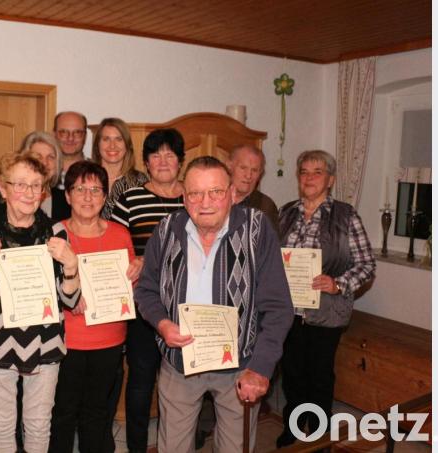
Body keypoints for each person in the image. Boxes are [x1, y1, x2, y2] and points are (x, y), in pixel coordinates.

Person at [135, 156, 294, 452]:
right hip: (179, 361)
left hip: (240, 366)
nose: (205, 202)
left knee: (235, 448)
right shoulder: (167, 229)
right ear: (184, 198)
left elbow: (278, 306)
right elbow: (146, 289)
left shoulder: (257, 230)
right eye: (195, 193)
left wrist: (261, 367)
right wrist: (162, 323)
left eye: (216, 192)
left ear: (231, 193)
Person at [0, 152, 81, 453]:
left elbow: (70, 298)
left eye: (36, 185)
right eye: (20, 184)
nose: (29, 192)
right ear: (3, 188)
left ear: (43, 191)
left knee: (38, 424)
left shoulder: (56, 231)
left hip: (45, 343)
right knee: (1, 425)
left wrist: (71, 266)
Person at [276, 150, 376, 448]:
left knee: (319, 376)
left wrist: (338, 284)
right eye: (304, 172)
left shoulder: (346, 216)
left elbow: (367, 265)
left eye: (317, 172)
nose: (309, 178)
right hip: (289, 311)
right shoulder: (286, 212)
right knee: (292, 373)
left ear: (330, 179)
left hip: (327, 311)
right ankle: (294, 425)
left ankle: (319, 435)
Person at [48, 161, 139, 453]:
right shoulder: (54, 235)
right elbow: (41, 291)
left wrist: (137, 272)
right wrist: (68, 297)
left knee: (97, 413)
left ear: (105, 196)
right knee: (62, 413)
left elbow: (129, 288)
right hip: (66, 341)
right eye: (80, 189)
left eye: (96, 190)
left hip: (109, 340)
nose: (88, 197)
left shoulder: (120, 234)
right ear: (67, 195)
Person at [110, 128, 186, 452]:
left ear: (181, 161)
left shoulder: (194, 198)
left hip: (187, 307)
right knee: (141, 382)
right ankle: (137, 446)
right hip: (144, 306)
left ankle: (179, 443)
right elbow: (114, 249)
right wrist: (135, 260)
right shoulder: (130, 199)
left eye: (170, 154)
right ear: (146, 162)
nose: (163, 161)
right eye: (156, 155)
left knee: (184, 383)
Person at [92, 117, 148, 219]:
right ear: (97, 145)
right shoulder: (85, 178)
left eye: (119, 139)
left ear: (127, 145)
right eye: (106, 139)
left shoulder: (140, 181)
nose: (112, 146)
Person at [227, 144, 281, 238]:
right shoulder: (215, 198)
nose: (248, 175)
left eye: (254, 170)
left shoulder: (265, 206)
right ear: (229, 166)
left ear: (260, 174)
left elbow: (271, 243)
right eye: (243, 168)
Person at [53, 111, 88, 188]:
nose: (70, 138)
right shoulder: (43, 171)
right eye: (63, 132)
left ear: (85, 136)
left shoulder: (97, 172)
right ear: (54, 134)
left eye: (77, 132)